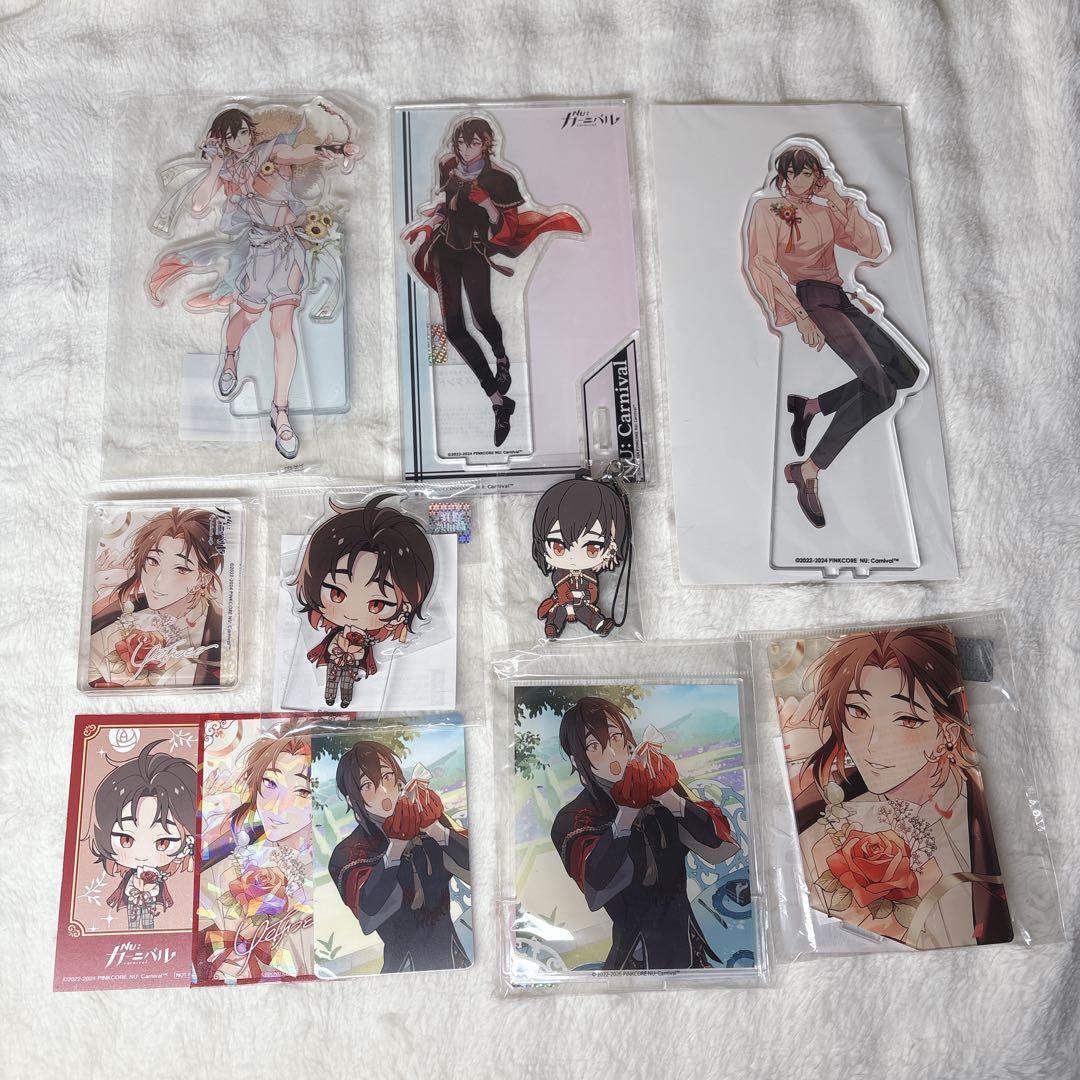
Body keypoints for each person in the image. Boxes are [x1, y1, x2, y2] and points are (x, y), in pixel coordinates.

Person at [149, 103, 359, 459]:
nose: (242, 140)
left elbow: (298, 152)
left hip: (290, 248)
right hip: (259, 250)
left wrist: (334, 149)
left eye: (245, 132)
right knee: (246, 317)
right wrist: (215, 166)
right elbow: (199, 205)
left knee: (283, 327)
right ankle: (230, 357)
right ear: (223, 141)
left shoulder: (270, 151)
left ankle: (280, 411)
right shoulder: (228, 170)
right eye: (233, 136)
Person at [785, 626, 1011, 948]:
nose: (872, 744)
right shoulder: (821, 818)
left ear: (946, 733)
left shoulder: (977, 812)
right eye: (857, 711)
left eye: (907, 719)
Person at [746, 142, 923, 528]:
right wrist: (800, 316)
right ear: (784, 176)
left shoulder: (826, 210)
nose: (805, 179)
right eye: (797, 172)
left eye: (811, 172)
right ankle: (808, 470)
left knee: (906, 373)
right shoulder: (768, 210)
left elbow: (871, 247)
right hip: (812, 299)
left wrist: (838, 198)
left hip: (841, 297)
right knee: (881, 389)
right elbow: (762, 264)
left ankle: (811, 407)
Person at [403, 115, 584, 447]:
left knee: (482, 318)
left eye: (472, 143)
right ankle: (498, 401)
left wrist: (488, 205)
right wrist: (427, 224)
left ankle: (501, 356)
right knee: (453, 329)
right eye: (460, 142)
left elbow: (507, 230)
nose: (464, 149)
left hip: (474, 253)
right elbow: (446, 207)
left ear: (485, 143)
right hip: (445, 252)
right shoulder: (448, 166)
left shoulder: (500, 180)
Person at [550, 697, 738, 970]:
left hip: (690, 948)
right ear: (576, 759)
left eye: (615, 737)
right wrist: (626, 814)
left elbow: (718, 846)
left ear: (628, 740)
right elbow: (596, 884)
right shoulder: (574, 817)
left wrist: (670, 798)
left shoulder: (657, 787)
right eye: (593, 746)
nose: (611, 753)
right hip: (635, 959)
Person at [328, 741, 471, 973]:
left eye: (387, 777)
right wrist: (396, 847)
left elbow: (478, 870)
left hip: (454, 959)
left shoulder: (427, 819)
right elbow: (369, 909)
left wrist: (436, 830)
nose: (384, 791)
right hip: (404, 969)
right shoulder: (349, 852)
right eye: (367, 785)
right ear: (351, 800)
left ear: (399, 778)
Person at [195, 721, 315, 982]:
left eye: (302, 791)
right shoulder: (226, 865)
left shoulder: (325, 873)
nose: (276, 807)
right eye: (270, 783)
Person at [291, 495, 435, 707]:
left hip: (354, 665)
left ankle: (345, 699)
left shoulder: (368, 639)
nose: (352, 612)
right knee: (332, 678)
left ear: (404, 606)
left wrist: (355, 650)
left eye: (376, 604)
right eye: (337, 593)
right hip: (335, 658)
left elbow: (364, 649)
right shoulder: (338, 633)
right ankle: (330, 697)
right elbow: (331, 646)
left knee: (348, 682)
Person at [88, 508, 224, 688]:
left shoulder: (221, 627)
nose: (158, 581)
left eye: (181, 569)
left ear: (203, 578)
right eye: (153, 561)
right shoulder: (118, 612)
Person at [88, 740, 197, 930]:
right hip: (133, 901)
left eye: (163, 842)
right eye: (126, 839)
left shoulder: (162, 873)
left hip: (152, 904)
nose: (142, 854)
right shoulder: (129, 874)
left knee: (148, 922)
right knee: (133, 922)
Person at [530, 477, 629, 639]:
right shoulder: (560, 574)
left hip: (582, 603)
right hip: (563, 601)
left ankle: (600, 625)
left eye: (592, 548)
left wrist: (588, 596)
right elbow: (560, 586)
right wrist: (566, 596)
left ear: (611, 547)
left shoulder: (589, 574)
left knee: (588, 613)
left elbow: (593, 589)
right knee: (557, 612)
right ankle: (552, 627)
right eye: (559, 547)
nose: (574, 556)